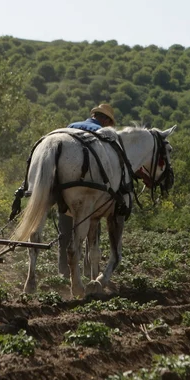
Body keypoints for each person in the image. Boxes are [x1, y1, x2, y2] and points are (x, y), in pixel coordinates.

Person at [58, 104, 116, 277]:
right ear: (105, 120)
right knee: (92, 228)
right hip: (89, 190)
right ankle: (88, 271)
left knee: (65, 232)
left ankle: (63, 272)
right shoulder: (102, 134)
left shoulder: (71, 127)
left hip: (64, 188)